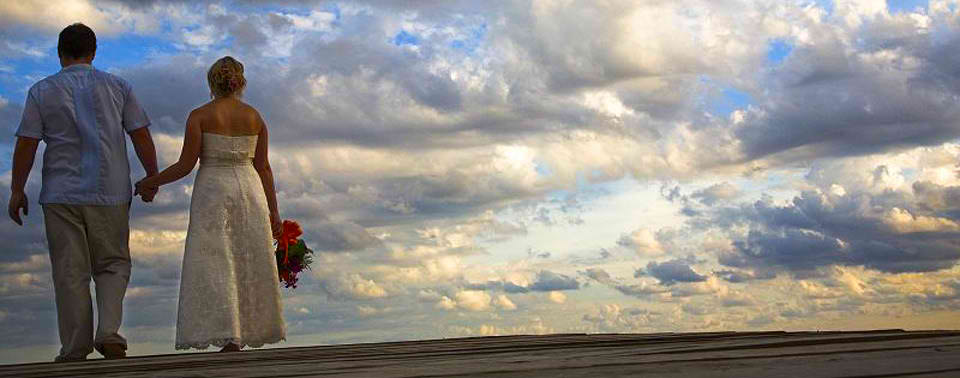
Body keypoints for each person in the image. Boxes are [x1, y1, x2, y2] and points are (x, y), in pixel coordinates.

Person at [7, 23, 159, 361]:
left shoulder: (41, 91)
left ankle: (75, 347)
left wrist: (17, 190)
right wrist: (151, 176)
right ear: (93, 52)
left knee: (69, 270)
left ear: (60, 53)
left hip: (61, 194)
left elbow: (27, 143)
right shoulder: (118, 86)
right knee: (113, 263)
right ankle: (109, 333)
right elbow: (140, 134)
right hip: (111, 190)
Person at [135, 56, 286, 352]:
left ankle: (229, 332)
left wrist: (150, 182)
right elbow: (264, 168)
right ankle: (243, 331)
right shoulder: (255, 117)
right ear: (240, 82)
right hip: (250, 190)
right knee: (246, 254)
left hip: (213, 190)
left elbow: (185, 164)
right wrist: (274, 212)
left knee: (215, 257)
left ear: (211, 82)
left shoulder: (199, 116)